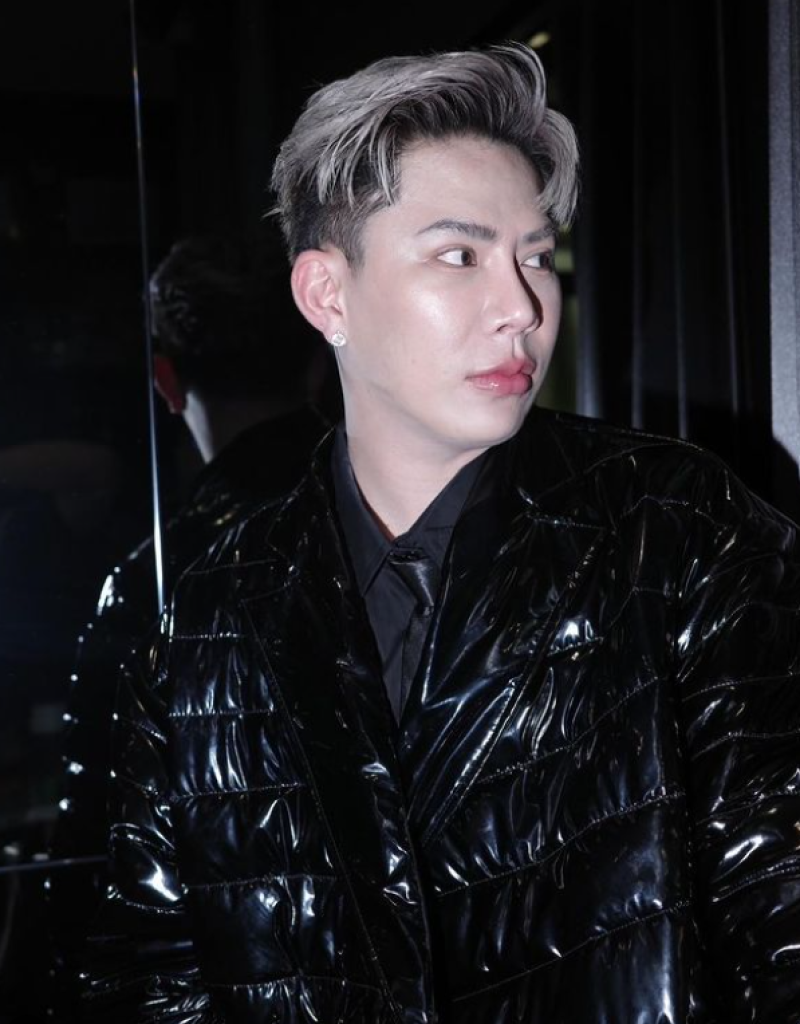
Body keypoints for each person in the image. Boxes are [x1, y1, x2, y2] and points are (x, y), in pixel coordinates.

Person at [84, 42, 800, 1023]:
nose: (522, 307)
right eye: (459, 256)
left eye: (535, 256)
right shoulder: (206, 617)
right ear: (327, 294)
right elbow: (145, 979)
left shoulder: (677, 530)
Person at [47, 232, 330, 1018]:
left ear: (166, 381)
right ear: (318, 357)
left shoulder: (153, 584)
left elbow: (95, 857)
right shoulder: (418, 524)